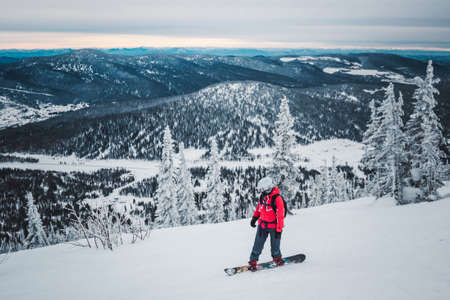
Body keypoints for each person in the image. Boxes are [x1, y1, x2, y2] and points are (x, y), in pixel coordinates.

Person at [248, 176, 285, 271]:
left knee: (275, 245)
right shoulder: (263, 196)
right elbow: (259, 208)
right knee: (257, 244)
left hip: (274, 226)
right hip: (263, 225)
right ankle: (253, 261)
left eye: (262, 189)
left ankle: (277, 258)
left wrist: (279, 229)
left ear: (267, 187)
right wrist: (254, 218)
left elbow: (280, 215)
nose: (261, 191)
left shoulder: (277, 198)